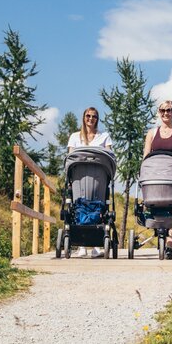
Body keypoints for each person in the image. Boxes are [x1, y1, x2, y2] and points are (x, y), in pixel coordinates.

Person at [143, 100, 172, 260]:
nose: (165, 113)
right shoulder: (151, 133)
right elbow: (146, 157)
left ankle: (169, 245)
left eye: (168, 110)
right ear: (159, 112)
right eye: (162, 110)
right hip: (155, 177)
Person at [67, 107, 113, 258]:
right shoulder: (75, 136)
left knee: (96, 206)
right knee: (80, 205)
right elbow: (70, 157)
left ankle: (95, 245)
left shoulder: (104, 136)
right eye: (88, 115)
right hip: (79, 176)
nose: (90, 118)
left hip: (99, 176)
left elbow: (110, 155)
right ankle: (81, 245)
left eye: (94, 116)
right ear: (83, 117)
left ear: (97, 119)